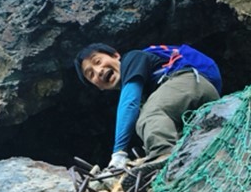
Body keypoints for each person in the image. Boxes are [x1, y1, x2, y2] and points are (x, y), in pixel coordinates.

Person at [74, 42, 222, 169]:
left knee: (149, 116)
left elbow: (130, 102)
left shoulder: (132, 58)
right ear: (98, 87)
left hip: (189, 81)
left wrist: (119, 152)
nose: (98, 71)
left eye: (98, 62)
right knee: (151, 119)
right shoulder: (149, 95)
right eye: (91, 74)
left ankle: (163, 156)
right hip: (198, 101)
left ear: (115, 55)